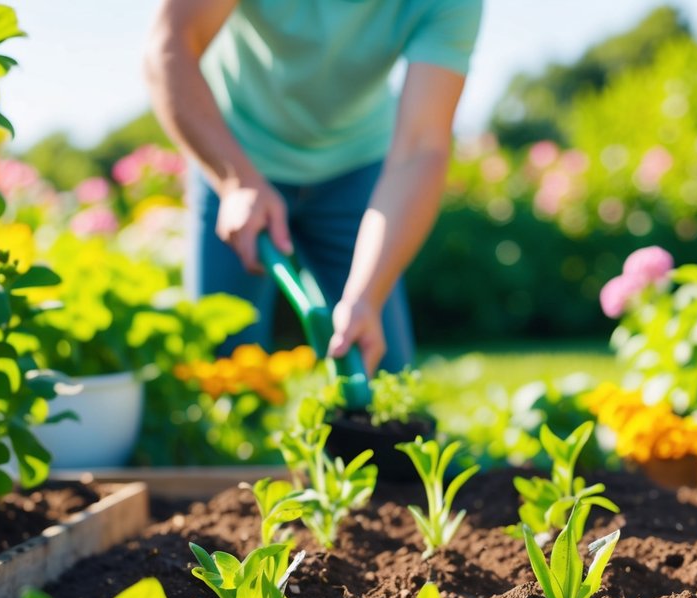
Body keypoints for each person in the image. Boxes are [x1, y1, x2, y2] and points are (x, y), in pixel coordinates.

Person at [145, 0, 483, 374]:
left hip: (356, 167)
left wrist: (365, 298)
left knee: (380, 368)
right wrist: (236, 180)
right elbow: (170, 45)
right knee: (222, 361)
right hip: (236, 148)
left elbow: (421, 148)